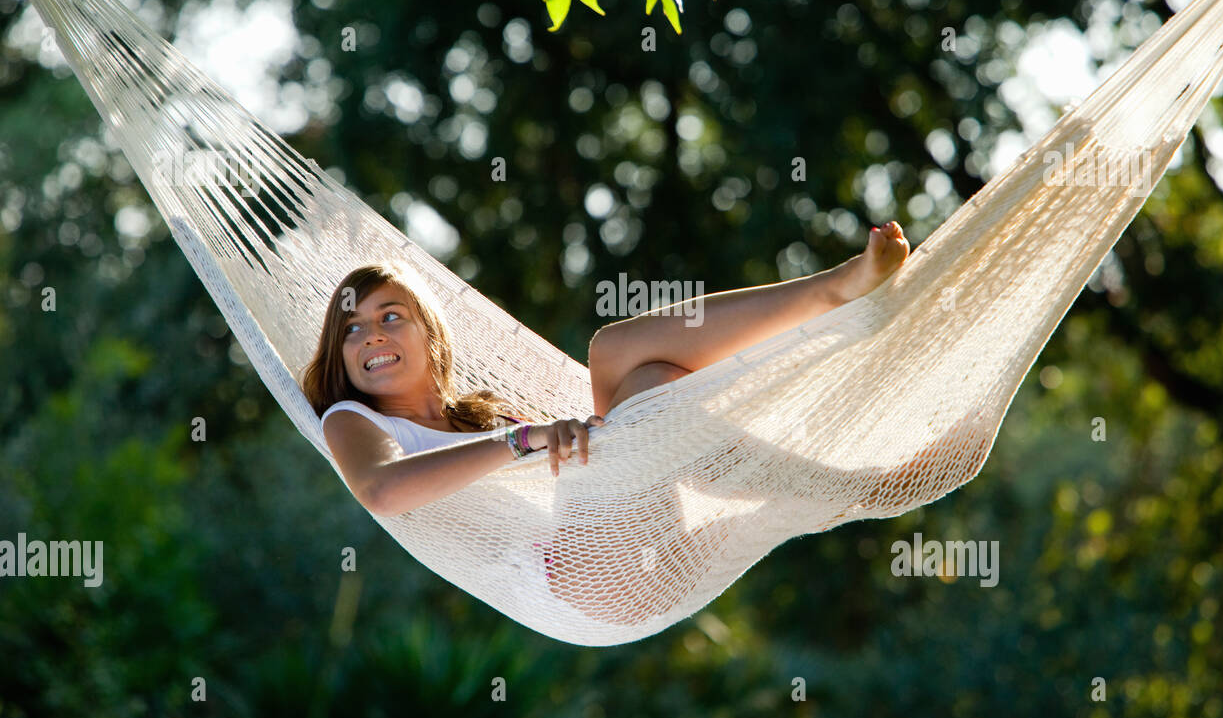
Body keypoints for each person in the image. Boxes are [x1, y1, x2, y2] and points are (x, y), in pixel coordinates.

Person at [299, 222, 911, 519]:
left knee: (637, 376)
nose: (370, 334)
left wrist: (536, 432)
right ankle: (831, 297)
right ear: (343, 358)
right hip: (574, 573)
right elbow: (381, 491)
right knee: (619, 358)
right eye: (351, 329)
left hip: (627, 529)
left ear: (431, 337)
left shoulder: (480, 412)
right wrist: (522, 439)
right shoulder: (350, 420)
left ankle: (848, 478)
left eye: (389, 316)